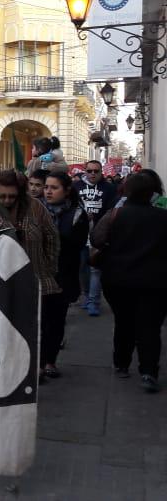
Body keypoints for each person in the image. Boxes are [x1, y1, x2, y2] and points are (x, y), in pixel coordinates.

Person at [91, 170, 167, 393]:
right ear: (153, 193)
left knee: (124, 322)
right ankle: (149, 372)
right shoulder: (163, 217)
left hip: (118, 280)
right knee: (150, 327)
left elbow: (96, 238)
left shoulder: (115, 214)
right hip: (155, 283)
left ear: (127, 191)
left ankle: (121, 364)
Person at [0, 169, 60, 297]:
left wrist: (49, 267)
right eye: (2, 196)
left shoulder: (35, 207)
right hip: (2, 286)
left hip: (37, 281)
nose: (7, 200)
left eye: (12, 196)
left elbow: (51, 237)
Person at [39, 171, 89, 380]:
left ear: (67, 190)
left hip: (62, 275)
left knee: (56, 321)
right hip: (38, 274)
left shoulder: (78, 214)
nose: (48, 191)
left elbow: (75, 246)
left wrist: (50, 232)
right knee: (39, 322)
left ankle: (50, 361)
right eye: (46, 187)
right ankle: (38, 364)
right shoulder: (36, 210)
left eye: (54, 187)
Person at [76, 160, 117, 316]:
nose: (93, 174)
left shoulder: (109, 188)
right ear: (85, 171)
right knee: (82, 267)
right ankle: (86, 295)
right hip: (80, 233)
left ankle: (94, 301)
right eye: (90, 171)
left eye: (96, 171)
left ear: (101, 172)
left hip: (98, 234)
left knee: (95, 269)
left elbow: (111, 210)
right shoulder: (77, 187)